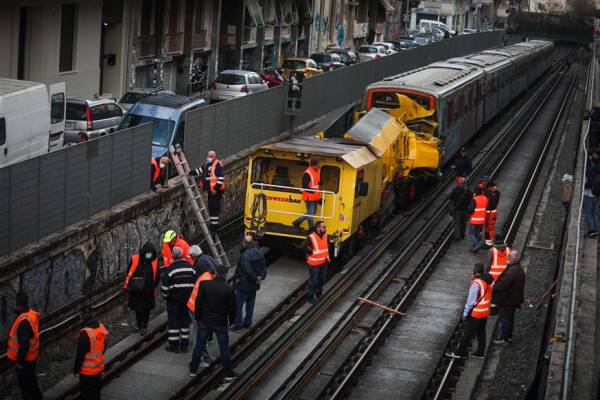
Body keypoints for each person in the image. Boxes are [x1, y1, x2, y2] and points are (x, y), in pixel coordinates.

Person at [189, 264, 237, 382]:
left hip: (205, 321)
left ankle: (193, 370)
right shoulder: (228, 289)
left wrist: (198, 318)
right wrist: (231, 321)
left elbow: (198, 303)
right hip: (220, 323)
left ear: (215, 273)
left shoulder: (205, 285)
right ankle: (228, 373)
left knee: (199, 346)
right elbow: (233, 309)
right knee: (224, 348)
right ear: (225, 274)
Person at [446, 263, 493, 358]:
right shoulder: (489, 280)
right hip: (485, 310)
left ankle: (458, 353)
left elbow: (471, 301)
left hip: (477, 312)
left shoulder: (477, 283)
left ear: (475, 272)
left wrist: (465, 313)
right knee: (481, 332)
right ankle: (480, 352)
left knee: (468, 332)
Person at [7, 292, 42, 400]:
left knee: (25, 386)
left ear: (17, 303)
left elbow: (24, 344)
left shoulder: (23, 322)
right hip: (32, 356)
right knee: (31, 381)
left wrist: (19, 362)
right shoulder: (31, 314)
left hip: (25, 361)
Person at [161, 247, 197, 353]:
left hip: (174, 302)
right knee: (185, 323)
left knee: (174, 324)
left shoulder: (170, 271)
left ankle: (174, 346)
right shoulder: (192, 269)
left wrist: (167, 298)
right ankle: (184, 346)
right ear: (182, 255)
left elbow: (164, 289)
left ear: (172, 256)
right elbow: (197, 285)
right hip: (188, 302)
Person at [232, 235, 267, 331]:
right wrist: (261, 277)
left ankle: (238, 325)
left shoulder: (245, 256)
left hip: (244, 285)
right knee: (250, 305)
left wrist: (256, 277)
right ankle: (247, 323)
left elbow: (248, 270)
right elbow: (264, 267)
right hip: (254, 285)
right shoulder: (259, 252)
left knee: (238, 305)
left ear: (244, 242)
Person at [123, 242, 160, 336]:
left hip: (148, 291)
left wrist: (152, 286)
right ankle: (139, 325)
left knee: (146, 310)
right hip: (137, 291)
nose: (149, 255)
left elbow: (157, 276)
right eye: (148, 253)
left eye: (151, 253)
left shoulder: (154, 261)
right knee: (138, 309)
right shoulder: (135, 259)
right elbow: (129, 273)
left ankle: (144, 326)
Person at [73, 306, 109, 400]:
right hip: (98, 367)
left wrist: (76, 370)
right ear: (93, 314)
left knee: (87, 394)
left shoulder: (85, 333)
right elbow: (104, 346)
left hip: (87, 372)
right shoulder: (100, 326)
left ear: (82, 316)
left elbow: (80, 355)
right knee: (96, 391)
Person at [492, 250, 525, 345]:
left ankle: (504, 338)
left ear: (514, 259)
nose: (508, 258)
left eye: (509, 256)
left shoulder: (511, 271)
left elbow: (503, 285)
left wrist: (494, 285)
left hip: (507, 300)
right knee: (510, 319)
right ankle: (508, 337)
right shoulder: (519, 269)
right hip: (514, 300)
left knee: (505, 319)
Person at [191, 150, 225, 231]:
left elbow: (221, 178)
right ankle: (213, 224)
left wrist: (216, 189)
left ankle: (214, 226)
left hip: (216, 191)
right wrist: (190, 172)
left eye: (210, 157)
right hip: (211, 191)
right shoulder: (207, 164)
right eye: (208, 156)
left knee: (214, 207)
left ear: (214, 156)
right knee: (211, 206)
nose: (208, 158)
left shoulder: (217, 164)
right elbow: (200, 170)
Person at [303, 221, 330, 304]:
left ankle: (318, 293)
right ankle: (310, 296)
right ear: (318, 228)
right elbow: (303, 247)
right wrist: (311, 253)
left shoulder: (325, 235)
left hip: (323, 262)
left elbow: (327, 245)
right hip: (314, 263)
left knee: (322, 279)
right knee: (314, 280)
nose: (325, 228)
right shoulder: (311, 237)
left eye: (325, 227)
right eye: (323, 227)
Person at [293, 158, 322, 232]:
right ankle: (311, 228)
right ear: (314, 165)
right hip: (309, 197)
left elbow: (317, 184)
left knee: (311, 213)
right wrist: (313, 192)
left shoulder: (316, 172)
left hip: (314, 197)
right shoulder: (307, 173)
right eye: (318, 164)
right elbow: (305, 185)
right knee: (310, 214)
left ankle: (297, 222)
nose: (319, 166)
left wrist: (319, 198)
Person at [583, 153, 600, 238]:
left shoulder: (591, 170)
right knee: (595, 212)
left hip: (589, 194)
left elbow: (589, 183)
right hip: (598, 195)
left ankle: (590, 230)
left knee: (588, 212)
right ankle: (596, 230)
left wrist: (583, 186)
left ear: (592, 160)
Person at [468, 186, 489, 253]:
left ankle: (477, 244)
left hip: (474, 219)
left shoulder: (474, 199)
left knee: (471, 234)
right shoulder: (485, 198)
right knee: (477, 234)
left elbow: (471, 210)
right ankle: (474, 249)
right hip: (481, 220)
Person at [484, 181, 500, 246]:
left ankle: (491, 242)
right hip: (489, 213)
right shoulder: (494, 193)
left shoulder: (495, 193)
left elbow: (492, 202)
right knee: (487, 228)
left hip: (491, 213)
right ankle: (488, 242)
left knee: (490, 227)